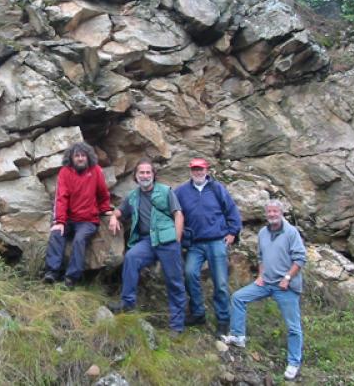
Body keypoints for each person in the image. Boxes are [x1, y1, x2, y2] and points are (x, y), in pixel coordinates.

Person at [221, 200, 306, 381]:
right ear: (266, 214)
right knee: (238, 297)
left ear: (281, 213)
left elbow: (300, 259)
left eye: (275, 211)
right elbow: (261, 256)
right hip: (266, 282)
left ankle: (294, 362)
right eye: (269, 212)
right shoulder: (263, 233)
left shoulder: (291, 232)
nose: (272, 214)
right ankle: (238, 336)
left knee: (293, 327)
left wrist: (287, 278)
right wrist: (261, 275)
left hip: (286, 286)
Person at [106, 159, 187, 335]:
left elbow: (178, 214)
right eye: (141, 173)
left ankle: (177, 325)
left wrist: (177, 239)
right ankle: (127, 304)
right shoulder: (133, 196)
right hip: (147, 241)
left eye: (148, 172)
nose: (144, 176)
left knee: (174, 281)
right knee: (131, 257)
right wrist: (114, 217)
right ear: (136, 176)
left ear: (153, 175)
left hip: (167, 240)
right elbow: (120, 211)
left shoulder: (165, 191)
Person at [175, 157, 242, 337]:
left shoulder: (217, 188)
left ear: (207, 170)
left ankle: (223, 320)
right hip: (195, 243)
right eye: (195, 169)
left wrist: (233, 232)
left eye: (201, 169)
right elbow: (174, 213)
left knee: (220, 282)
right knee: (189, 274)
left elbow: (232, 211)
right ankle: (198, 313)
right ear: (190, 171)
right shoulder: (181, 191)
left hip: (216, 241)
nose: (198, 172)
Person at [43, 142, 112, 288]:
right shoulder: (65, 172)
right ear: (71, 158)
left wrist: (105, 209)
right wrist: (60, 221)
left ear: (88, 157)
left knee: (79, 239)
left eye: (83, 155)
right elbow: (61, 198)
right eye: (77, 156)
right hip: (68, 219)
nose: (80, 158)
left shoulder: (96, 170)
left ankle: (71, 278)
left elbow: (103, 193)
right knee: (56, 233)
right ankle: (51, 272)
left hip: (88, 220)